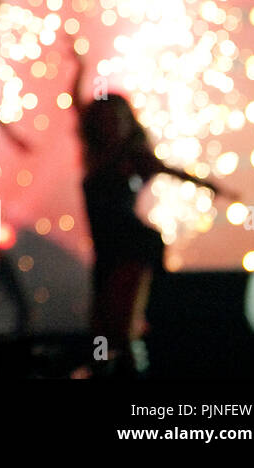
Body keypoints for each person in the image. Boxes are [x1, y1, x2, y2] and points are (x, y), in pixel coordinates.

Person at [68, 39, 237, 376]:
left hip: (132, 246)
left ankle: (138, 381)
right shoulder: (98, 156)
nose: (109, 124)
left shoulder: (134, 158)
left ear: (127, 123)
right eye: (104, 118)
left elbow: (173, 171)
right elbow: (77, 105)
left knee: (122, 326)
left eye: (116, 118)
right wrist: (80, 67)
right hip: (107, 250)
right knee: (102, 328)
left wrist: (213, 187)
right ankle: (115, 373)